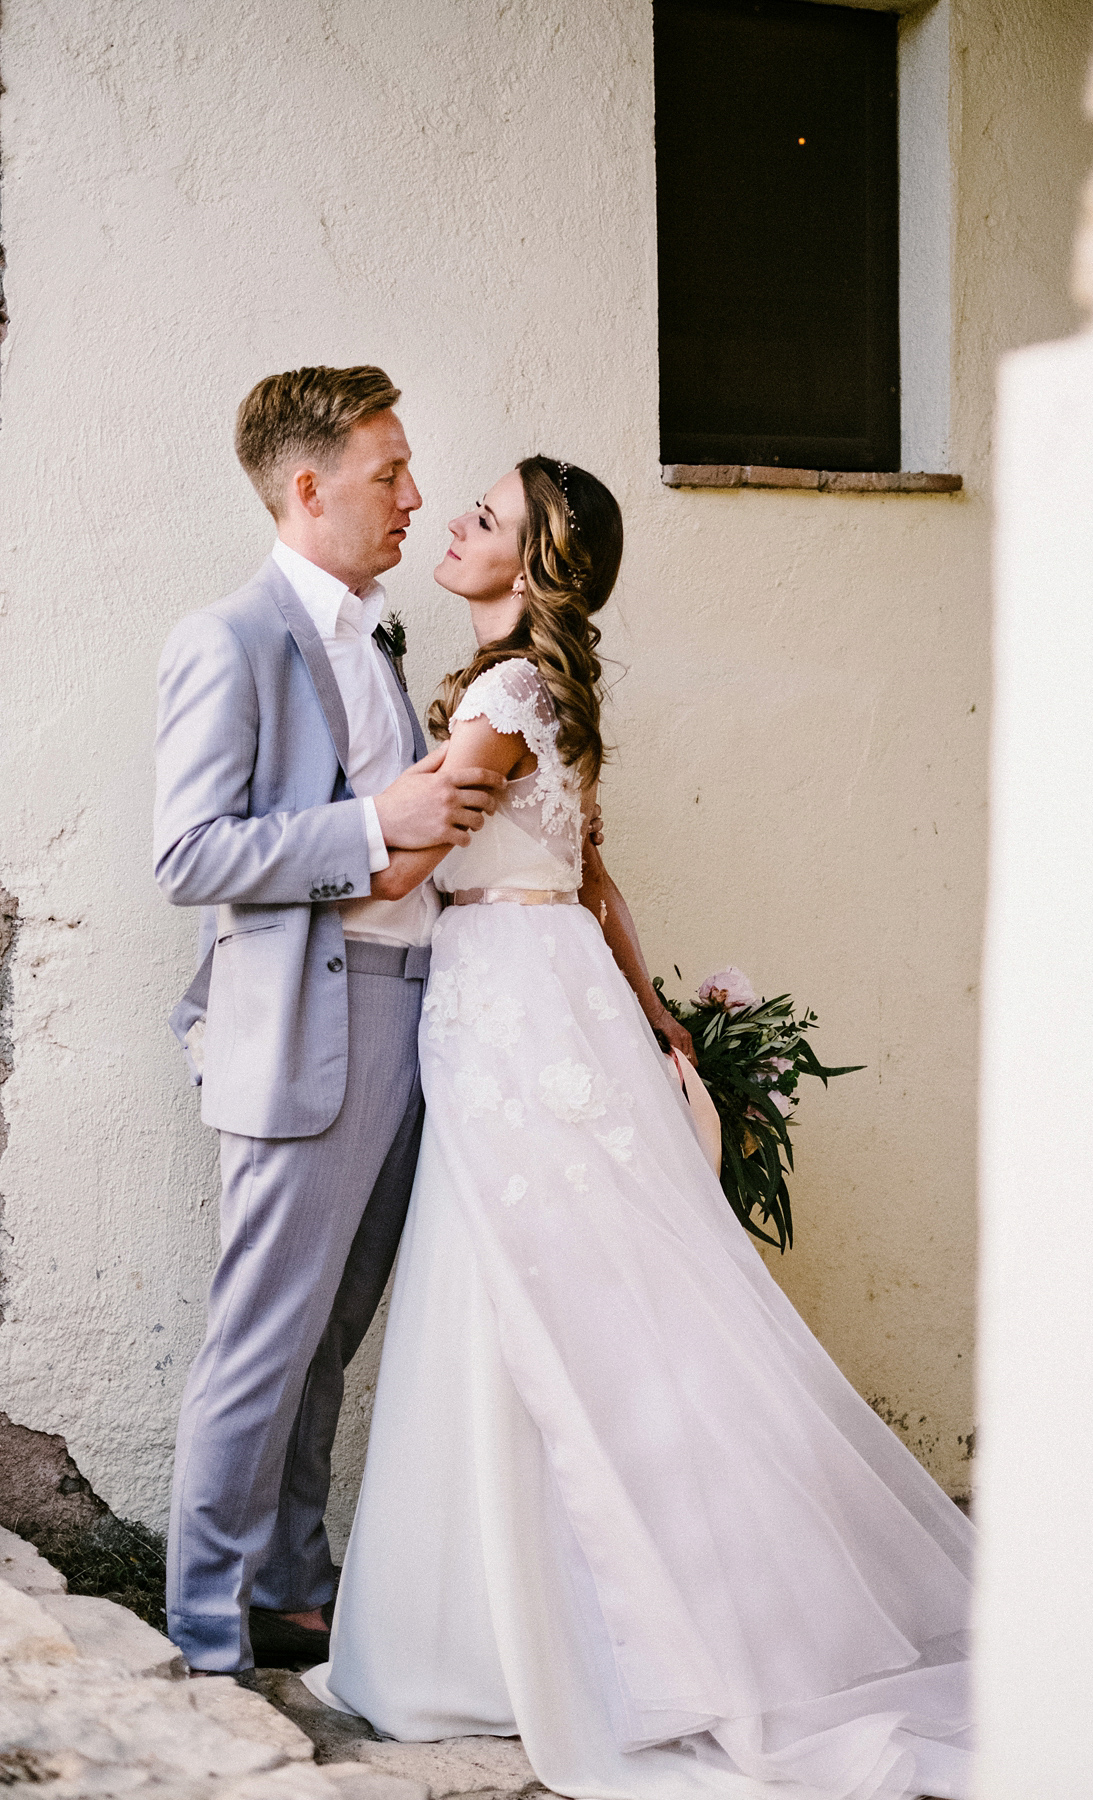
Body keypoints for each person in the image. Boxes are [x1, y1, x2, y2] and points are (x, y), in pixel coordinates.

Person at [303, 457, 975, 1799]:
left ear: (536, 565)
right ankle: (579, 1616)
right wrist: (655, 1016)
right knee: (590, 1300)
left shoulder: (501, 697)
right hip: (550, 1001)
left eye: (485, 519)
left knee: (525, 1295)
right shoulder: (540, 691)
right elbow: (596, 876)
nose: (455, 522)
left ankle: (508, 1640)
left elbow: (401, 864)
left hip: (504, 1006)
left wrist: (262, 879)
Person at [152, 365, 514, 1677]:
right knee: (265, 1336)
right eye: (389, 474)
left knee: (332, 1331)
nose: (415, 497)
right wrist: (377, 826)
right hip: (317, 1016)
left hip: (421, 1009)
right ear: (308, 489)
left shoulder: (379, 635)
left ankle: (292, 1588)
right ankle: (200, 1638)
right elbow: (189, 851)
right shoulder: (231, 638)